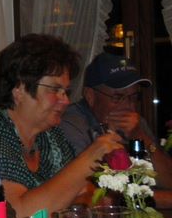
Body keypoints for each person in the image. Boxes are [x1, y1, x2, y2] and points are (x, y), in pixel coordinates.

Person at [0, 34, 123, 218]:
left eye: (66, 91)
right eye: (54, 90)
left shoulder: (49, 136)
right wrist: (90, 159)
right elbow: (18, 217)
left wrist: (71, 205)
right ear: (19, 89)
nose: (66, 100)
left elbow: (87, 193)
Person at [59, 51, 172, 201]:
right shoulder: (70, 125)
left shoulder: (136, 124)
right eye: (117, 97)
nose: (129, 106)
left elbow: (169, 180)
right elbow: (94, 194)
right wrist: (164, 200)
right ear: (90, 96)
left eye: (134, 97)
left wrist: (141, 136)